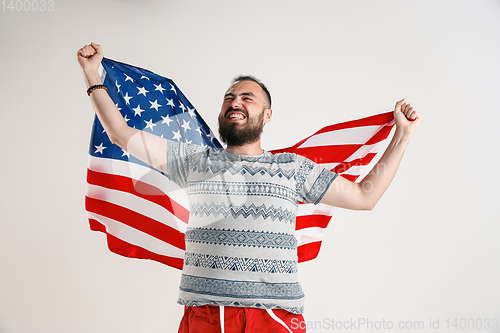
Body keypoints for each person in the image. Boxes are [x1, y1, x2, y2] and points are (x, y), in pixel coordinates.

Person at [77, 42, 422, 333]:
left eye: (247, 97)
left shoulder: (292, 168)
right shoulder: (195, 162)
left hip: (273, 319)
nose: (235, 102)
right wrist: (93, 75)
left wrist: (402, 136)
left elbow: (365, 196)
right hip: (204, 318)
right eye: (229, 97)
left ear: (267, 115)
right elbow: (121, 134)